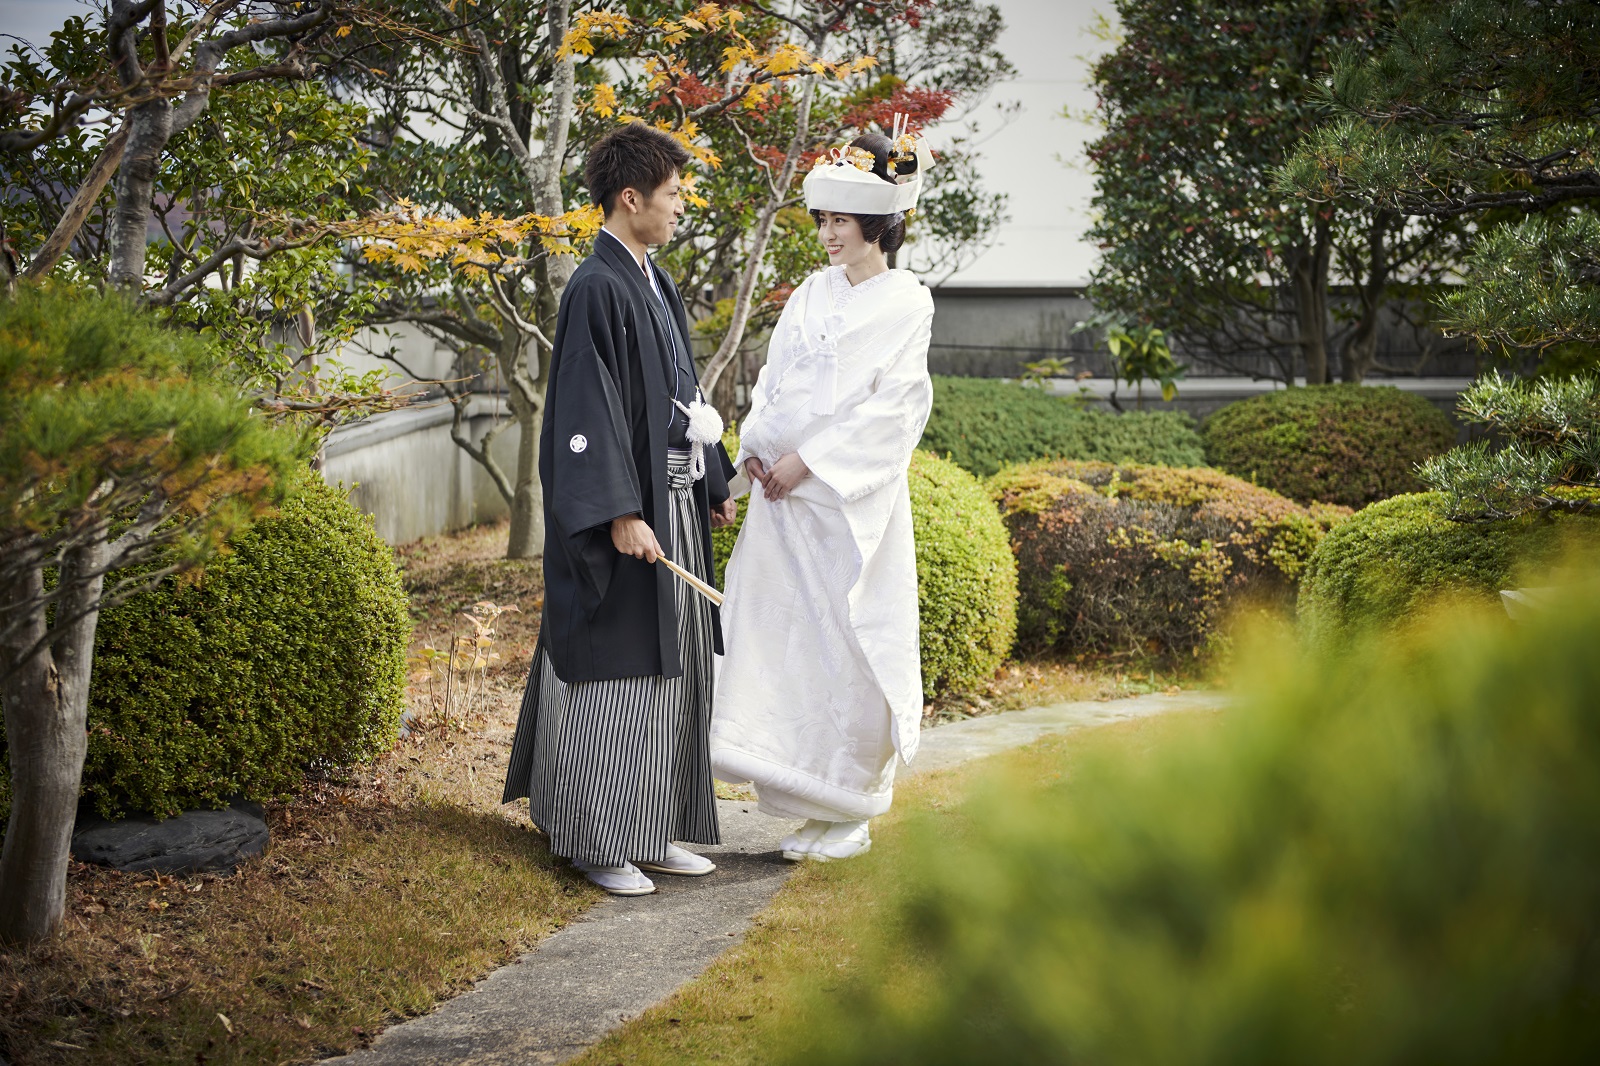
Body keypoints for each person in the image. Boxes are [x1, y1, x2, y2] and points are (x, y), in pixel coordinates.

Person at [502, 123, 738, 896]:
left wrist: (711, 480)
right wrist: (617, 512)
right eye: (672, 196)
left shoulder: (651, 278)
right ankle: (599, 838)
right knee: (619, 672)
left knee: (676, 665)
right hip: (629, 514)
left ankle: (653, 826)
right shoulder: (595, 287)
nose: (679, 209)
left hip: (670, 499)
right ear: (630, 198)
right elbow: (583, 409)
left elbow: (685, 393)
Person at [709, 122, 936, 863]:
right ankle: (808, 801)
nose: (829, 234)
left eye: (842, 220)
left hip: (845, 505)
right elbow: (775, 382)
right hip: (782, 500)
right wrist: (756, 457)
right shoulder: (810, 292)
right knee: (781, 640)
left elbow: (895, 406)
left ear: (877, 225)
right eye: (824, 219)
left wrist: (810, 460)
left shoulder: (908, 303)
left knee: (848, 642)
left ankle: (851, 810)